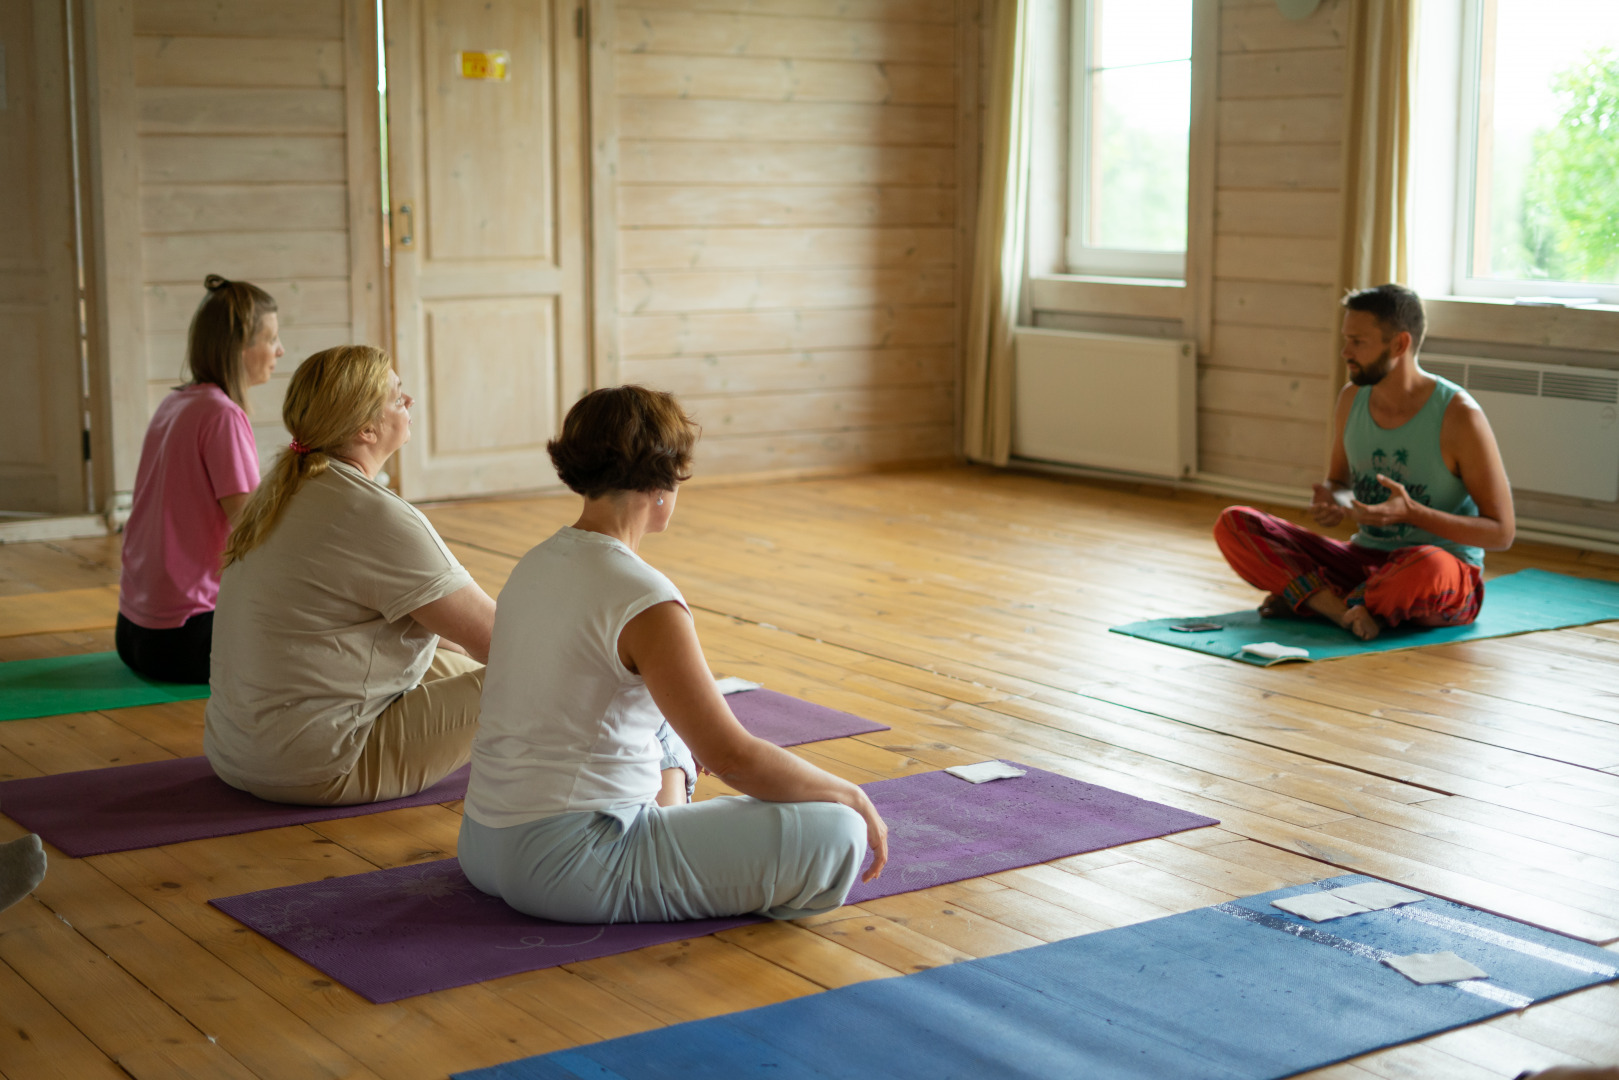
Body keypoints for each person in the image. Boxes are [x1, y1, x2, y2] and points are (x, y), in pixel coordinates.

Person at [458, 385, 887, 924]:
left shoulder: (533, 564)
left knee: (658, 718)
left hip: (482, 844)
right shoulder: (646, 598)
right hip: (571, 866)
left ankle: (669, 827)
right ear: (663, 481)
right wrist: (848, 793)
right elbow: (733, 757)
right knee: (836, 830)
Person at [203, 345, 496, 806]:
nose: (409, 403)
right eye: (398, 397)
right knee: (541, 673)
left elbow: (455, 637)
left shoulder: (280, 491)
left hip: (237, 752)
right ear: (365, 429)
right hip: (320, 765)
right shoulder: (373, 515)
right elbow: (501, 641)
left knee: (462, 663)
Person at [1214, 284, 1515, 641]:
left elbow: (1501, 532)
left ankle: (1318, 600)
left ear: (1399, 345)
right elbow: (1339, 484)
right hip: (1365, 561)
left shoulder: (1460, 416)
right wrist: (1333, 501)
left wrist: (1412, 513)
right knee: (1235, 523)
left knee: (1428, 564)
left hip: (1435, 573)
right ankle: (1347, 612)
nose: (1345, 352)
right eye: (1346, 339)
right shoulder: (1351, 398)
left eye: (1358, 342)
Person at [117, 275, 282, 683]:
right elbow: (251, 526)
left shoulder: (176, 402)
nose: (279, 351)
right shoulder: (222, 414)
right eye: (271, 339)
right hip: (186, 639)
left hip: (134, 634)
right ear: (239, 346)